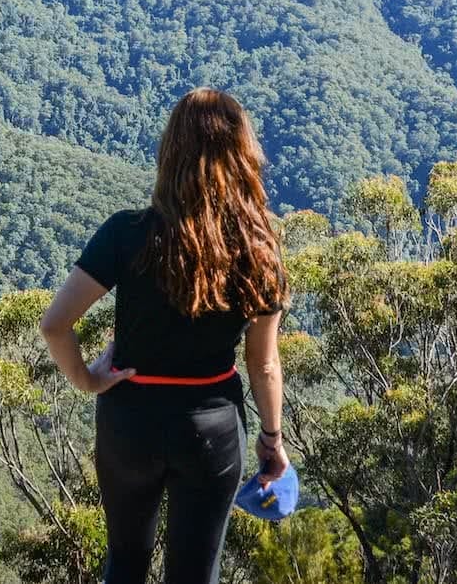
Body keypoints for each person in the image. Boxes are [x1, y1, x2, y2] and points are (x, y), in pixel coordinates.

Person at [38, 87, 289, 584]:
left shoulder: (125, 234)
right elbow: (263, 364)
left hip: (129, 420)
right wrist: (271, 438)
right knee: (196, 574)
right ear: (242, 155)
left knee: (126, 563)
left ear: (170, 151)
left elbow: (54, 325)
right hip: (212, 427)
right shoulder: (260, 248)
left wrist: (88, 380)